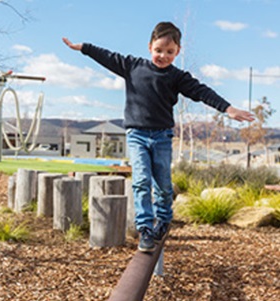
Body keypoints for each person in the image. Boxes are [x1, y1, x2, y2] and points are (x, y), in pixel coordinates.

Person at [63, 21, 254, 252]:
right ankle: (145, 228)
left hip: (162, 137)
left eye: (170, 52)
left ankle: (163, 220)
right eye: (159, 50)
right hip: (137, 135)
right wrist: (83, 47)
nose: (163, 56)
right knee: (142, 180)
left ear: (177, 52)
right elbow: (107, 56)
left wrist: (227, 108)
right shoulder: (132, 66)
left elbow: (201, 91)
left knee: (163, 186)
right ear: (150, 47)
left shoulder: (177, 77)